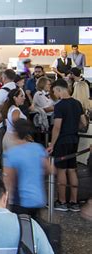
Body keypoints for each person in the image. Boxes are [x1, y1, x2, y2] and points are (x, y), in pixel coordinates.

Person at [48, 79, 88, 212]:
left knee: (61, 170)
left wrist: (52, 144)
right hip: (74, 139)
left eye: (54, 92)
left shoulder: (60, 106)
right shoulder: (77, 103)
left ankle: (62, 201)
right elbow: (83, 123)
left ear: (59, 90)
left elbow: (57, 127)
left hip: (62, 141)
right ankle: (74, 201)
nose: (55, 94)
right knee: (72, 170)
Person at [3, 119, 51, 220]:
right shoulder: (38, 148)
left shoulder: (11, 153)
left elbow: (8, 180)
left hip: (20, 201)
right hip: (38, 198)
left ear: (15, 133)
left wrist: (5, 203)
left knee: (23, 231)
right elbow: (50, 169)